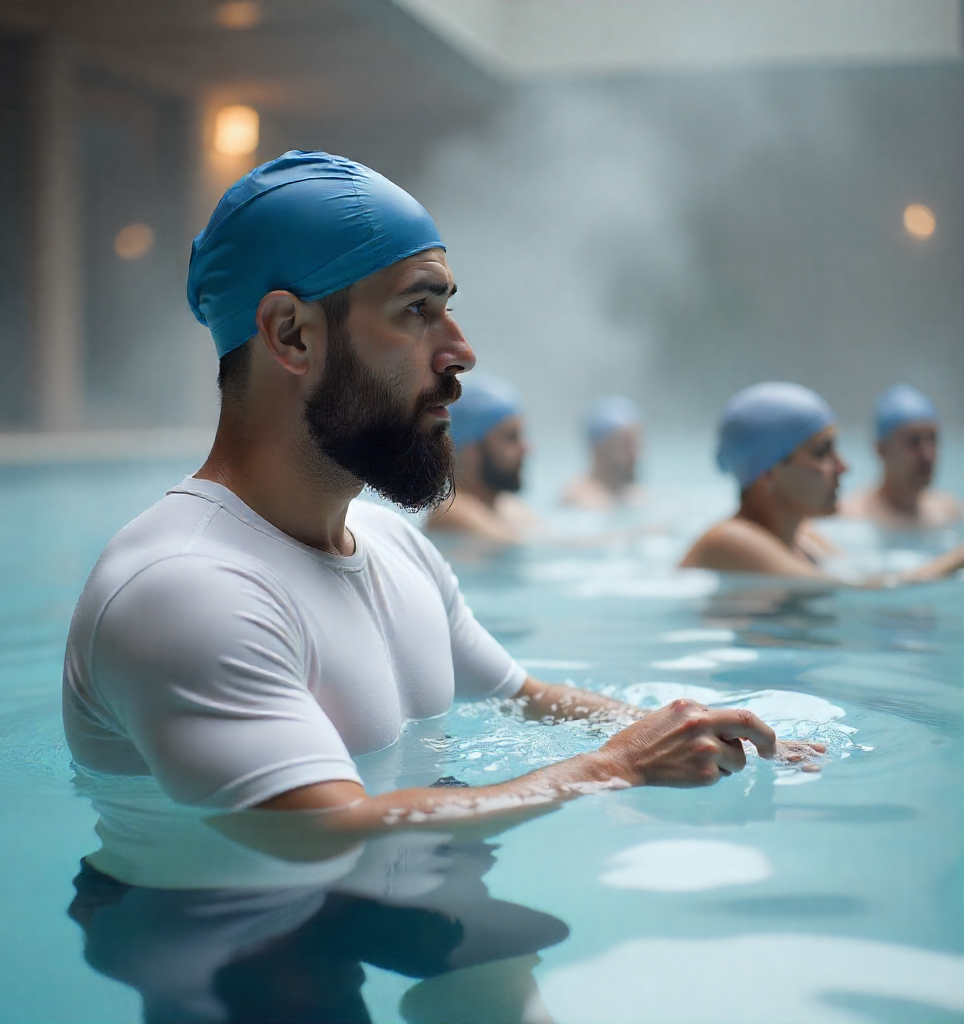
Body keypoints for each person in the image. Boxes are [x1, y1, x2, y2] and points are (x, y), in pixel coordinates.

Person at [63, 152, 821, 862]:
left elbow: (526, 699)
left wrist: (690, 729)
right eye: (417, 310)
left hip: (408, 914)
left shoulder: (393, 545)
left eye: (447, 308)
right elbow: (324, 831)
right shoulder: (184, 587)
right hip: (230, 962)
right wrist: (619, 767)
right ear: (291, 334)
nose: (461, 349)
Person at [681, 381, 964, 581]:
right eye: (822, 452)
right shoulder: (730, 540)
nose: (843, 467)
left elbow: (869, 577)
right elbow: (858, 597)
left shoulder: (805, 538)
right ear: (767, 472)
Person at [426, 373, 540, 543]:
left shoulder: (509, 508)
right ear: (471, 452)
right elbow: (519, 544)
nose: (526, 449)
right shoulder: (451, 511)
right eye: (511, 438)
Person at [841, 384, 961, 527]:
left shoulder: (949, 513)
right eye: (913, 442)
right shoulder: (850, 518)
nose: (927, 454)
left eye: (932, 439)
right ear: (882, 450)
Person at [562, 395, 643, 509]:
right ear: (598, 450)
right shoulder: (579, 500)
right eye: (625, 445)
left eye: (636, 442)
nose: (636, 453)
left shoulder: (635, 495)